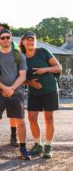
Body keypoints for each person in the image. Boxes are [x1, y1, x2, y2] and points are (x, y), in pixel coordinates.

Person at [0, 28, 31, 160]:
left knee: (20, 122)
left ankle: (23, 148)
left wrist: (11, 89)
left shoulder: (19, 55)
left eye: (8, 37)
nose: (5, 40)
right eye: (2, 38)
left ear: (11, 39)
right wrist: (5, 88)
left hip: (16, 94)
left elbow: (23, 76)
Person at [20, 31, 62, 159]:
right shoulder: (21, 57)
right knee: (32, 117)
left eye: (33, 39)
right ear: (23, 41)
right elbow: (19, 77)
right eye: (28, 39)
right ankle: (38, 145)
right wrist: (30, 82)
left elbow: (58, 68)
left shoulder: (43, 51)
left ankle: (48, 146)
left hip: (50, 89)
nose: (31, 41)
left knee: (49, 118)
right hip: (34, 92)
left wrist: (45, 69)